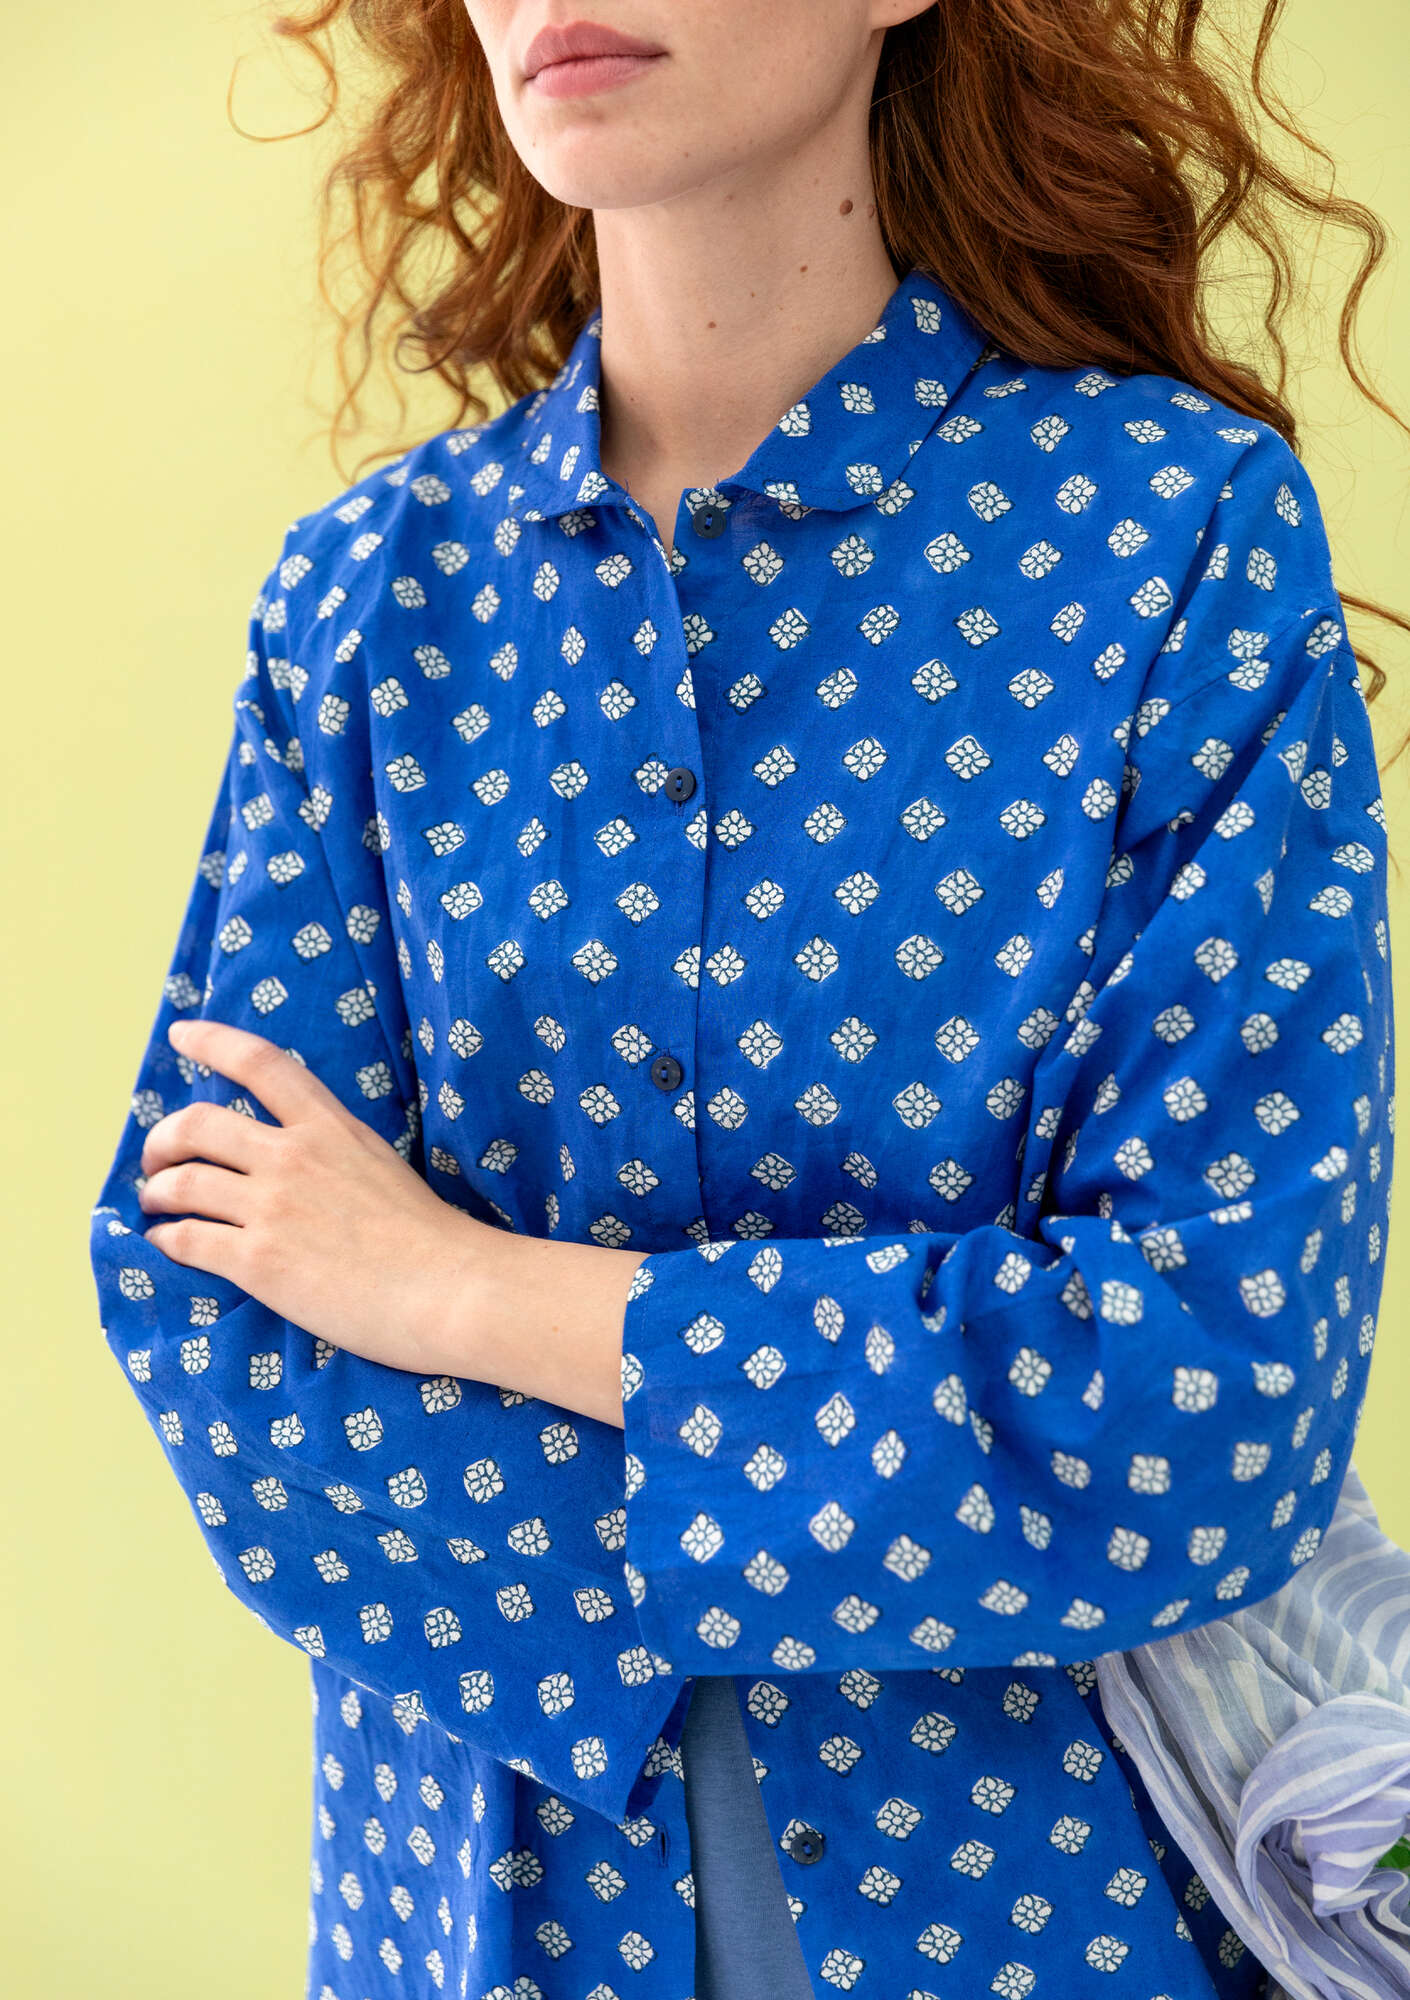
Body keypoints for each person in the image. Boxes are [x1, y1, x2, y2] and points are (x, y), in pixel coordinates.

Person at [89, 3, 1405, 1996]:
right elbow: (219, 1310)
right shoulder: (364, 602)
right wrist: (929, 1468)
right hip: (478, 1925)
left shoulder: (1169, 535)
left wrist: (463, 1294)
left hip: (1049, 1923)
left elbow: (1208, 1394)